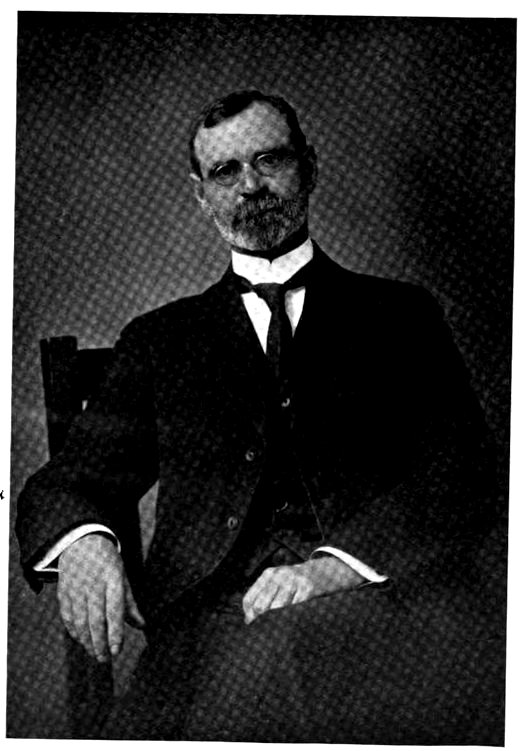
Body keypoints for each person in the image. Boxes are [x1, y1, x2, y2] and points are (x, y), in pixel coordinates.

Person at [16, 90, 500, 742]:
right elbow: (68, 481)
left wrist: (333, 567)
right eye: (226, 171)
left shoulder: (401, 316)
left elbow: (466, 473)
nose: (250, 186)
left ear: (309, 167)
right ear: (201, 195)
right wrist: (85, 542)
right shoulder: (161, 341)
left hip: (379, 613)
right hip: (210, 636)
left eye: (269, 160)